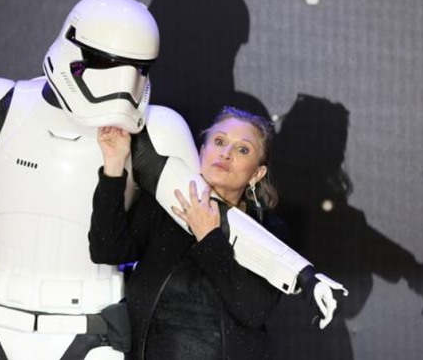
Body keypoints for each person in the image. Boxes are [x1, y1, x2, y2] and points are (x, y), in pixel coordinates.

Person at [0, 0, 345, 360]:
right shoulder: (0, 104)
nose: (124, 84)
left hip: (92, 332)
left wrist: (301, 275)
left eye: (138, 69)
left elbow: (208, 216)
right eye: (111, 64)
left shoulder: (155, 129)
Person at [89, 106, 338, 359]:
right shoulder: (164, 206)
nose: (226, 153)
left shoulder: (270, 232)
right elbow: (106, 250)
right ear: (201, 152)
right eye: (219, 142)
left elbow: (253, 310)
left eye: (243, 149)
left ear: (257, 174)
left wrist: (209, 237)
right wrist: (113, 165)